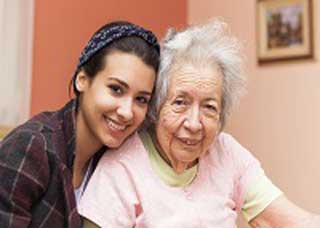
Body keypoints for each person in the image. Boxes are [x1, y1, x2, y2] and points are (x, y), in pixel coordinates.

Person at [78, 19, 320, 227]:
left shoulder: (226, 153)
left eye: (209, 107)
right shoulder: (121, 169)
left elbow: (290, 220)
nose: (194, 124)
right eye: (181, 102)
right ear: (157, 105)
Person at [0, 21, 160, 227]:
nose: (127, 112)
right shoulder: (31, 147)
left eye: (141, 99)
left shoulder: (117, 161)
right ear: (82, 80)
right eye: (116, 89)